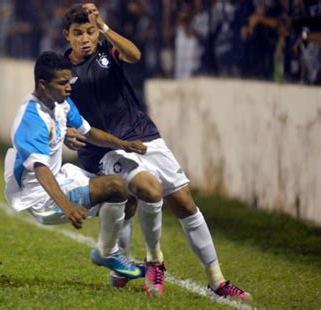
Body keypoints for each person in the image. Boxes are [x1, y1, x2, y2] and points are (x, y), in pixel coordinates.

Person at [61, 3, 251, 300]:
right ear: (66, 35)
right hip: (105, 150)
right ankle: (148, 260)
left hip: (144, 135)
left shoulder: (106, 52)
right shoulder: (62, 71)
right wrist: (65, 134)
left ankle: (217, 281)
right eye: (77, 33)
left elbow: (134, 55)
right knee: (137, 194)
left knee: (185, 204)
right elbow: (57, 114)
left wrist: (106, 28)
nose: (85, 38)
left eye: (90, 32)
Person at [3, 51, 148, 280]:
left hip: (59, 177)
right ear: (42, 85)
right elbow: (40, 170)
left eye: (69, 81)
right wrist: (67, 206)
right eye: (62, 83)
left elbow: (88, 132)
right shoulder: (32, 119)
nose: (69, 87)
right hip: (41, 197)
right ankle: (107, 253)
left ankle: (116, 264)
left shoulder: (61, 103)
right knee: (116, 186)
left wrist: (123, 144)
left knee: (128, 197)